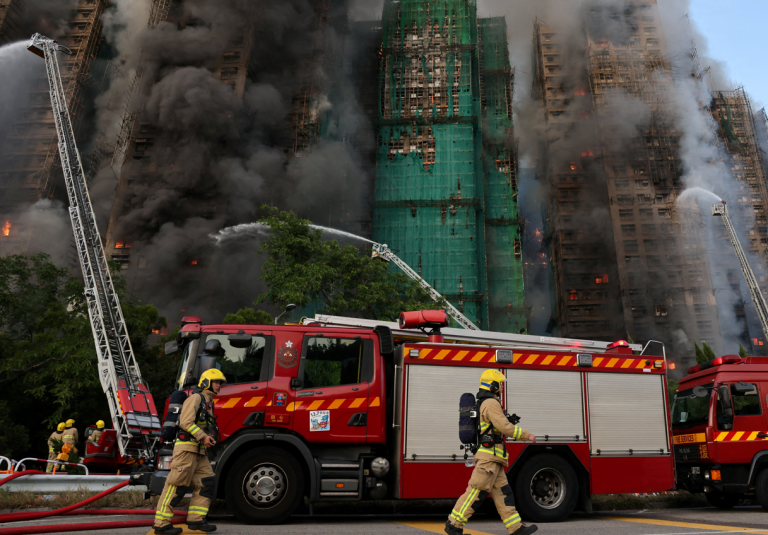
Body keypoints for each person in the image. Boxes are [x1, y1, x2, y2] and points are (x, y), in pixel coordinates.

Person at [446, 370, 538, 535]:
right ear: (493, 385)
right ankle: (454, 525)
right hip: (489, 458)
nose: (501, 388)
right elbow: (504, 427)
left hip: (494, 458)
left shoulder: (486, 402)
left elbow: (496, 426)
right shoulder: (490, 403)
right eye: (499, 384)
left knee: (504, 494)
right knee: (476, 491)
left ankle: (515, 528)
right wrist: (526, 435)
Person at [153, 367, 226, 534]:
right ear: (206, 383)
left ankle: (196, 519)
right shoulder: (195, 398)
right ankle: (161, 523)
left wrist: (209, 437)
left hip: (199, 451)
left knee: (206, 482)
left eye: (220, 383)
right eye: (216, 382)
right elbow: (185, 422)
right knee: (176, 485)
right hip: (186, 449)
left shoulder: (208, 402)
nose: (219, 385)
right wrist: (203, 436)